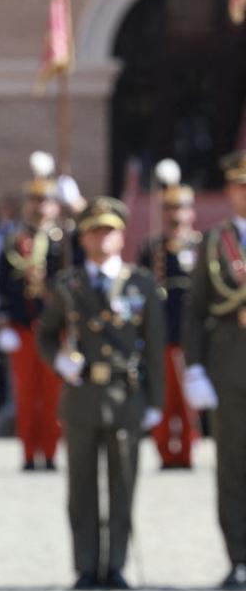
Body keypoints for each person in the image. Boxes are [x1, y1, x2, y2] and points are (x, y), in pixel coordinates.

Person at [37, 197, 164, 590]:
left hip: (125, 395)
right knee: (81, 488)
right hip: (82, 395)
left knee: (123, 486)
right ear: (83, 238)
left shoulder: (141, 283)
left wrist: (156, 401)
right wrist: (59, 360)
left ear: (122, 236)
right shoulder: (67, 283)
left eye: (109, 230)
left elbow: (155, 347)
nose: (101, 238)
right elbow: (45, 334)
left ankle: (118, 565)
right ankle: (87, 566)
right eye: (94, 231)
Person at [182, 150, 246, 590]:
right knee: (233, 463)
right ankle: (239, 555)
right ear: (229, 191)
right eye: (240, 186)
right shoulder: (213, 241)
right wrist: (195, 369)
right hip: (229, 363)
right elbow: (195, 311)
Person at [0, 152, 72, 470]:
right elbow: (2, 282)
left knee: (54, 394)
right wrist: (3, 322)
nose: (40, 207)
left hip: (56, 329)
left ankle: (51, 452)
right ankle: (29, 452)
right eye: (35, 200)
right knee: (26, 395)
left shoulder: (65, 239)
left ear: (56, 205)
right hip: (24, 327)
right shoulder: (14, 239)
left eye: (46, 201)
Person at [137, 159, 200, 468]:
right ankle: (164, 452)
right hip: (161, 333)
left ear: (191, 212)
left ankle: (186, 452)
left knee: (188, 400)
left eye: (181, 208)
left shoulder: (200, 247)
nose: (175, 215)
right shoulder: (152, 248)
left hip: (190, 334)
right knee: (162, 396)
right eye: (170, 209)